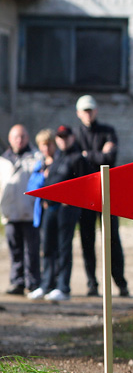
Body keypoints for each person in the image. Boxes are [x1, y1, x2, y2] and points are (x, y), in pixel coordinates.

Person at [73, 95, 129, 297]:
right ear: (79, 113)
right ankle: (92, 284)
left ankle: (120, 283)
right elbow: (77, 160)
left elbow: (109, 159)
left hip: (107, 193)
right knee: (87, 240)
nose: (88, 114)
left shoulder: (107, 131)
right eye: (85, 111)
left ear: (96, 111)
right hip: (86, 194)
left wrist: (88, 155)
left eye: (91, 110)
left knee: (112, 239)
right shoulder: (76, 135)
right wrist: (97, 155)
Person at [27, 127, 87, 302]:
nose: (63, 140)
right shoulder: (57, 157)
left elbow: (83, 184)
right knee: (47, 247)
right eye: (60, 137)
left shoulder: (77, 158)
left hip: (66, 209)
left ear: (72, 138)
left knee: (63, 248)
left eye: (65, 137)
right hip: (50, 208)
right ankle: (47, 284)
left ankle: (63, 287)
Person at [0, 124, 40, 295]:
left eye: (22, 136)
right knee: (15, 251)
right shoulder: (2, 161)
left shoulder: (36, 158)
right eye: (16, 137)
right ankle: (17, 282)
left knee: (32, 251)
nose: (19, 140)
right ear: (10, 139)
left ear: (27, 138)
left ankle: (33, 283)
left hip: (29, 212)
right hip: (10, 213)